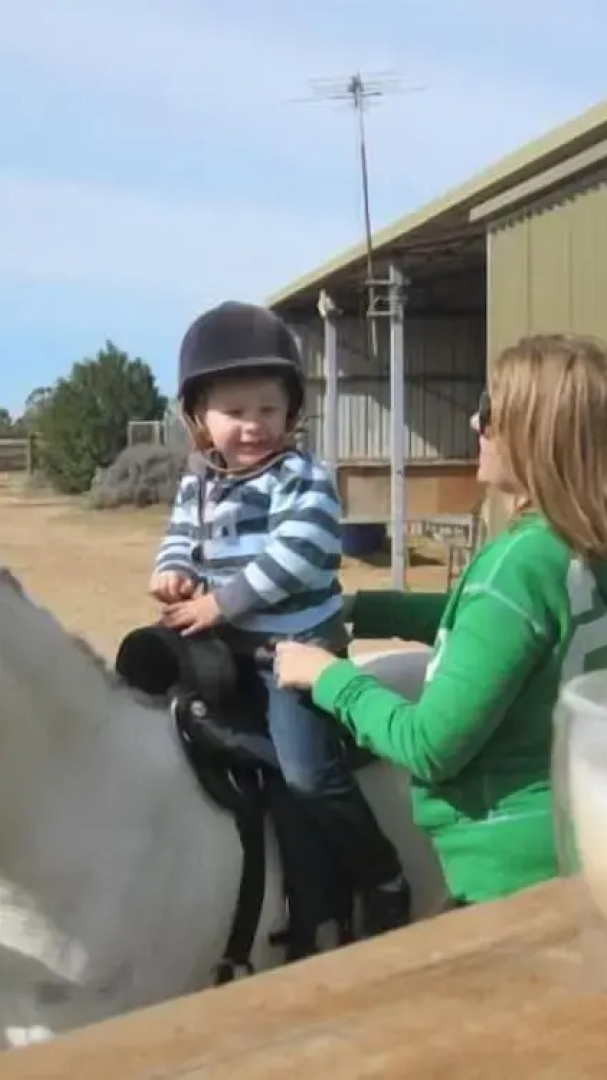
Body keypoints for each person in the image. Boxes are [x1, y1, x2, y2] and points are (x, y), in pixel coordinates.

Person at [274, 332, 607, 908]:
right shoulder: (579, 551)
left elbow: (428, 744)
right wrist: (370, 609)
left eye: (491, 412)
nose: (477, 425)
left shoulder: (516, 565)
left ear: (538, 440)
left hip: (505, 876)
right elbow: (503, 636)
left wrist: (327, 676)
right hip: (572, 838)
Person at [150, 299, 412, 941]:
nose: (252, 425)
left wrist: (219, 602)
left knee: (307, 774)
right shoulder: (201, 483)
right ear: (199, 419)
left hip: (295, 652)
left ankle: (382, 875)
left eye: (268, 409)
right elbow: (182, 534)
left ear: (291, 410)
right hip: (224, 644)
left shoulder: (304, 478)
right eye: (235, 412)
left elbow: (297, 555)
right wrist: (173, 570)